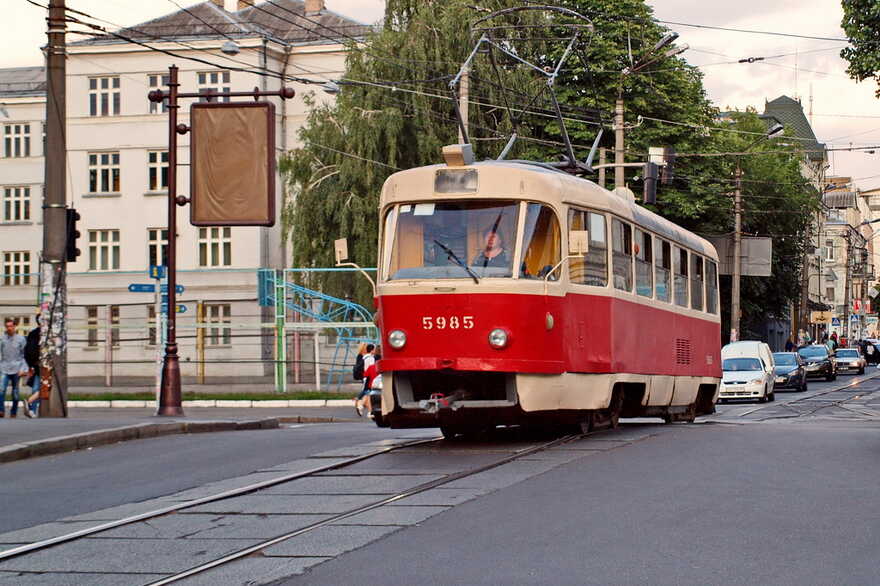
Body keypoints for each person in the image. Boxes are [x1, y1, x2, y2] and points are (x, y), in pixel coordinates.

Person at [0, 318, 28, 419]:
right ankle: (1, 411)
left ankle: (13, 412)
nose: (9, 328)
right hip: (4, 368)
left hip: (17, 369)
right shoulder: (2, 339)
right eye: (7, 326)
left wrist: (24, 369)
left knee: (15, 393)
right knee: (1, 390)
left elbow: (25, 355)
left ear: (14, 326)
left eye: (11, 326)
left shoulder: (21, 339)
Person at [23, 320, 40, 417]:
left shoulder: (32, 333)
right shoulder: (47, 334)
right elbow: (29, 350)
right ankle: (30, 402)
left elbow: (27, 351)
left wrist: (31, 365)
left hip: (36, 365)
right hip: (46, 366)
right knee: (46, 388)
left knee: (36, 388)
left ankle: (31, 409)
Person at [354, 343, 375, 416]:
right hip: (369, 377)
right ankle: (361, 404)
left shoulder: (364, 357)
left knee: (367, 393)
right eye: (374, 349)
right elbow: (372, 368)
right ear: (372, 350)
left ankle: (368, 410)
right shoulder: (371, 358)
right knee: (367, 393)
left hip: (365, 376)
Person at [362, 351, 382, 419]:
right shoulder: (382, 367)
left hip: (371, 385)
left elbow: (365, 375)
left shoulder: (371, 367)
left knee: (370, 399)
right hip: (380, 385)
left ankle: (370, 412)